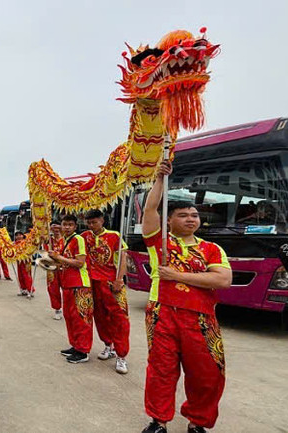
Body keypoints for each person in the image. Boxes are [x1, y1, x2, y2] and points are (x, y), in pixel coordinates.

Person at [140, 162, 232, 433]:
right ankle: (158, 421)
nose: (191, 219)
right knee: (161, 371)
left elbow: (223, 280)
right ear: (169, 220)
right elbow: (149, 210)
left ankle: (198, 422)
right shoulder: (160, 243)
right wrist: (159, 178)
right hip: (162, 313)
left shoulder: (211, 249)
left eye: (194, 215)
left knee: (208, 374)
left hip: (202, 319)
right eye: (183, 215)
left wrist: (177, 276)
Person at [81, 209, 130, 374]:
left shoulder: (114, 236)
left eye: (94, 222)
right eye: (88, 222)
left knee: (119, 318)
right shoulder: (85, 236)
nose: (91, 225)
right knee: (99, 316)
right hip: (92, 283)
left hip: (110, 282)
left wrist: (120, 279)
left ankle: (121, 356)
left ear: (102, 220)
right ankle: (108, 346)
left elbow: (124, 257)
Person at [49, 214, 93, 364]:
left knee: (81, 318)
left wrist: (59, 258)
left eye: (70, 225)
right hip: (67, 284)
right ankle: (75, 345)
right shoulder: (64, 241)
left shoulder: (78, 239)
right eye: (64, 224)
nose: (66, 227)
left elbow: (80, 262)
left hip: (80, 284)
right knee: (70, 317)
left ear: (75, 226)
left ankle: (83, 350)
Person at [45, 221, 63, 320]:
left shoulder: (66, 239)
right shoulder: (48, 240)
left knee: (68, 290)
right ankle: (57, 309)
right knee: (53, 289)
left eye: (57, 226)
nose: (55, 228)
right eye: (53, 226)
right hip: (52, 269)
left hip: (64, 267)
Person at [14, 231, 35, 298]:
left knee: (27, 275)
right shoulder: (14, 244)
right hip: (19, 261)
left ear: (23, 236)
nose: (19, 236)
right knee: (20, 275)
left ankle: (30, 290)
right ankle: (23, 289)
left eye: (20, 235)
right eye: (17, 235)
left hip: (26, 261)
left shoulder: (26, 242)